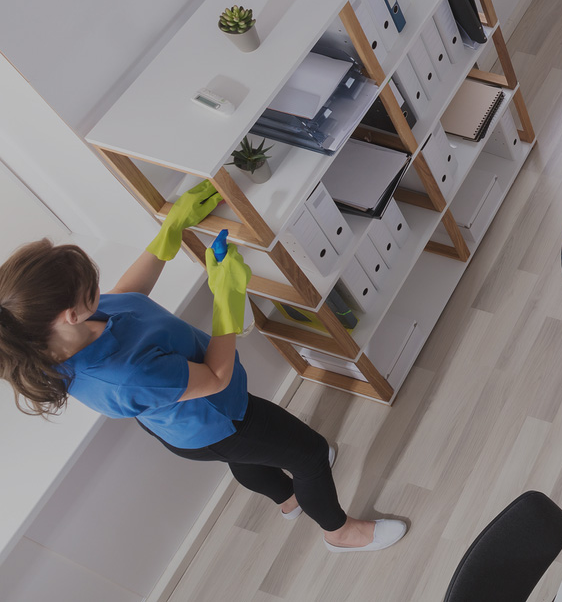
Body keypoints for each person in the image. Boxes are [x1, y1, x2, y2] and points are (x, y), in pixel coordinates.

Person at [0, 184, 406, 553]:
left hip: (191, 424)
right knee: (312, 453)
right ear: (68, 314)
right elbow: (215, 378)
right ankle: (339, 533)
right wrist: (228, 298)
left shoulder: (69, 329)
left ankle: (289, 500)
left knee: (247, 458)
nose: (99, 287)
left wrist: (171, 230)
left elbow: (127, 296)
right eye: (90, 286)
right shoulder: (121, 375)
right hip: (217, 416)